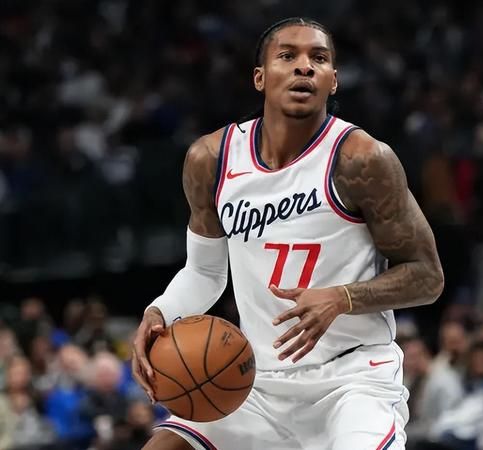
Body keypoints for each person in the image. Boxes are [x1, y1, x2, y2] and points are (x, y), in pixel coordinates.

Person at [131, 17, 445, 450]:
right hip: (255, 382)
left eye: (319, 58)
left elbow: (427, 276)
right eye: (287, 55)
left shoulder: (362, 159)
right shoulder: (211, 159)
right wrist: (160, 312)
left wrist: (342, 298)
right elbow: (205, 273)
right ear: (259, 78)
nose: (304, 66)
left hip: (352, 381)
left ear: (333, 80)